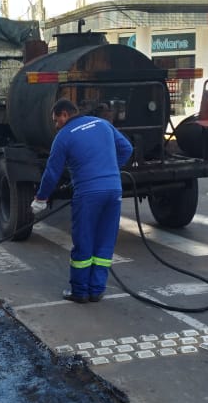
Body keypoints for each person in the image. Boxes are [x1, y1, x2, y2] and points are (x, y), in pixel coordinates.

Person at [32, 98, 133, 303]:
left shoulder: (63, 137)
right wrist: (111, 169)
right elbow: (127, 149)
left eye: (56, 120)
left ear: (64, 115)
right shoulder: (103, 124)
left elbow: (52, 173)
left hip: (88, 194)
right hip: (113, 190)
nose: (55, 125)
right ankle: (96, 290)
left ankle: (79, 292)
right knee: (105, 242)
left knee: (84, 241)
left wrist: (41, 198)